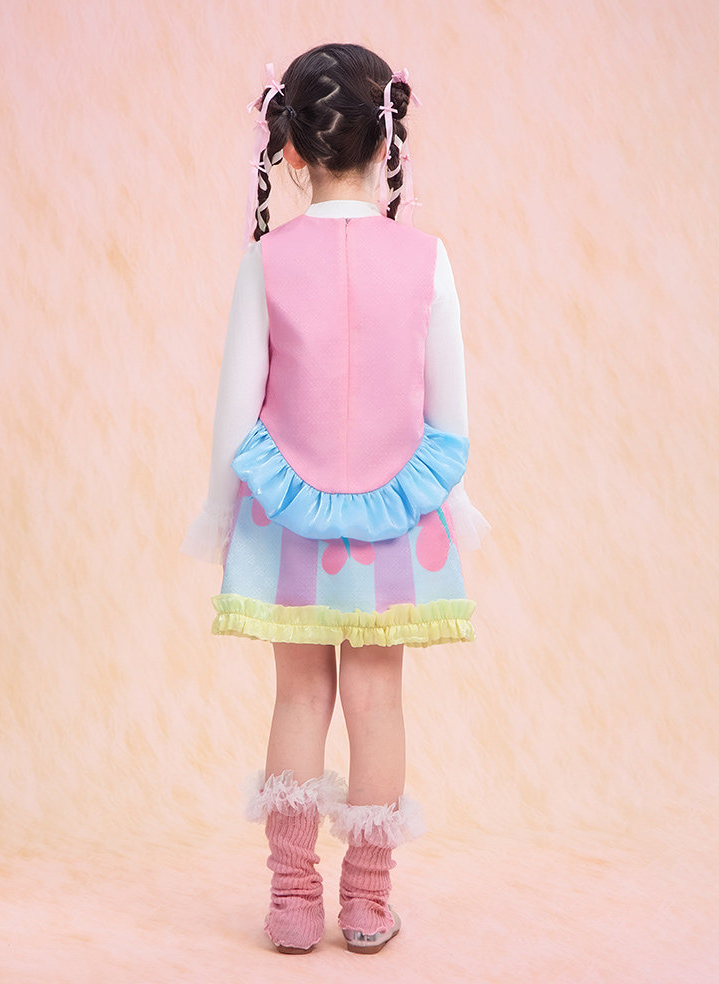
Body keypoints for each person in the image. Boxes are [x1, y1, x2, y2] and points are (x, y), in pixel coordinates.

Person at [180, 42, 490, 955]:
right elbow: (450, 416)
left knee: (298, 696)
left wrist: (217, 511)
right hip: (396, 517)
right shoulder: (428, 259)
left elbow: (235, 409)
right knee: (379, 700)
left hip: (289, 519)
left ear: (290, 147)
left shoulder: (267, 260)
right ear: (388, 140)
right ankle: (365, 901)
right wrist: (454, 503)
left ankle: (290, 902)